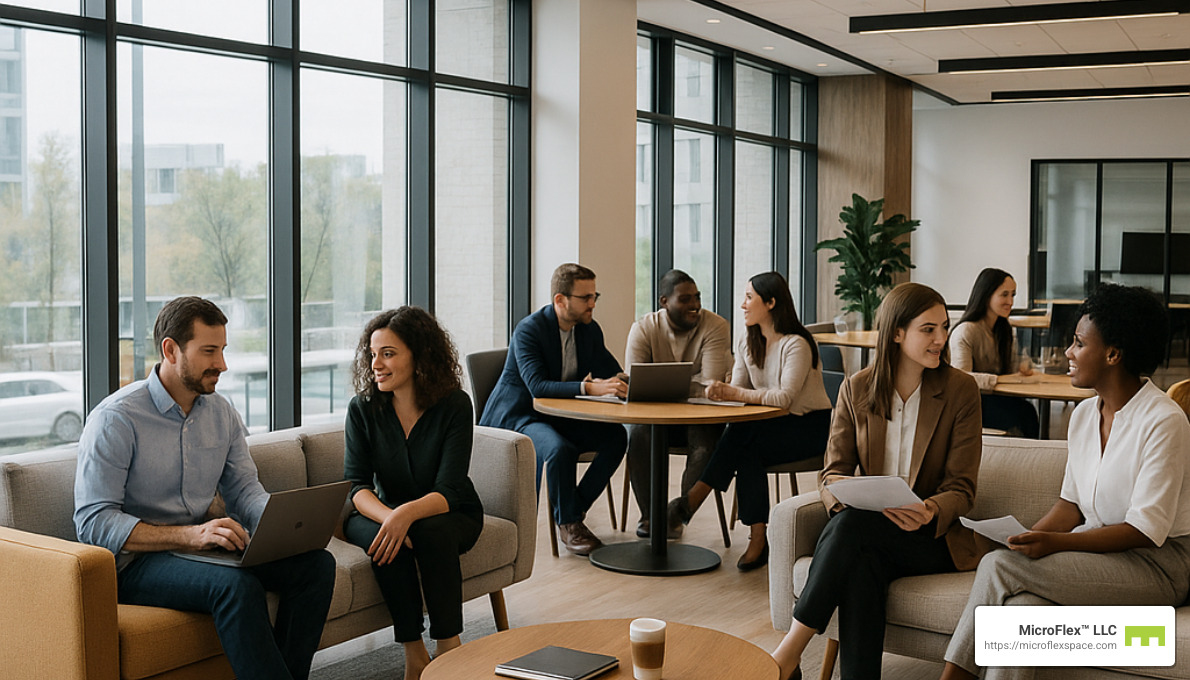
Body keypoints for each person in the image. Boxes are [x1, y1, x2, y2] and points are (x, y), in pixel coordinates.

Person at [74, 296, 335, 680]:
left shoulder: (221, 412)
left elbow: (244, 488)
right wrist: (192, 536)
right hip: (135, 565)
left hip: (200, 548)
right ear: (170, 350)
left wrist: (280, 527)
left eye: (223, 350)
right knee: (237, 586)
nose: (222, 364)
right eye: (209, 351)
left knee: (315, 566)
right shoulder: (116, 419)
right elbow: (94, 523)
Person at [940, 284, 1190, 680]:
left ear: (1113, 354)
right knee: (1022, 615)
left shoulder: (1164, 421)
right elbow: (1070, 506)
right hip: (1102, 558)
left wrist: (1054, 544)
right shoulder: (1084, 415)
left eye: (1077, 343)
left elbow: (1145, 530)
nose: (1069, 353)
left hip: (1157, 568)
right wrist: (1026, 537)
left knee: (997, 566)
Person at [770, 282, 986, 680]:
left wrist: (929, 510)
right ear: (897, 332)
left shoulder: (960, 391)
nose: (942, 339)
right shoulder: (857, 388)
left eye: (944, 327)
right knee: (861, 559)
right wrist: (849, 498)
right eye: (929, 329)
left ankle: (788, 652)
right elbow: (832, 471)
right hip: (869, 530)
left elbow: (962, 487)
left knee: (853, 532)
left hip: (931, 538)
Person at [343, 307, 484, 680]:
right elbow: (356, 485)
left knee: (430, 532)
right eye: (373, 354)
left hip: (450, 510)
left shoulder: (454, 404)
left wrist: (406, 515)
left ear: (419, 356)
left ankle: (449, 648)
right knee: (382, 538)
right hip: (381, 511)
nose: (376, 364)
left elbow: (450, 487)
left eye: (388, 354)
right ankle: (414, 654)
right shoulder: (362, 409)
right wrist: (393, 517)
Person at [667, 271, 833, 570]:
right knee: (746, 444)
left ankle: (694, 499)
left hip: (809, 426)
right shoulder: (748, 341)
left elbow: (784, 399)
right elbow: (741, 394)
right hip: (768, 426)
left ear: (770, 303)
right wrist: (721, 393)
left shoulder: (797, 344)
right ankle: (757, 537)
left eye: (748, 298)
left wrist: (732, 390)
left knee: (745, 438)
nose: (742, 305)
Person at [479, 263, 628, 556]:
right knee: (560, 449)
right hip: (519, 416)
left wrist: (627, 382)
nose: (592, 303)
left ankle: (571, 511)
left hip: (558, 415)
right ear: (560, 300)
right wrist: (588, 388)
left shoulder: (588, 330)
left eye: (594, 295)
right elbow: (537, 386)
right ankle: (569, 524)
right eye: (585, 297)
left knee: (617, 437)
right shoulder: (529, 330)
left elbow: (611, 370)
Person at [625, 269, 731, 539]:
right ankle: (650, 517)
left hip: (701, 416)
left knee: (705, 445)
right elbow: (636, 386)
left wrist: (661, 384)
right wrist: (694, 384)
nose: (694, 305)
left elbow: (712, 384)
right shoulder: (643, 329)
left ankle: (677, 515)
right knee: (637, 432)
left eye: (697, 297)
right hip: (655, 417)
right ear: (664, 302)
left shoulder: (716, 326)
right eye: (685, 299)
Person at [949, 268, 1040, 437]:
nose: (1010, 301)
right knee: (1024, 415)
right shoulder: (965, 331)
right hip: (971, 404)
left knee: (1028, 412)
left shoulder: (1003, 329)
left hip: (995, 398)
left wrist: (1022, 367)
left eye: (1013, 295)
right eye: (1004, 295)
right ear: (986, 295)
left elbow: (1014, 369)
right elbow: (960, 379)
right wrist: (999, 380)